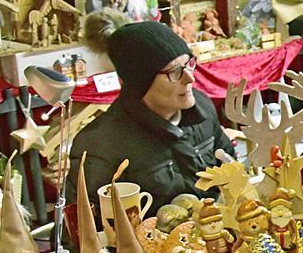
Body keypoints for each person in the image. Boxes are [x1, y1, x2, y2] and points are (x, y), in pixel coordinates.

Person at [66, 12, 233, 209]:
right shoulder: (100, 145)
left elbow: (230, 168)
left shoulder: (201, 108)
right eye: (174, 71)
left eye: (189, 64)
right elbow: (83, 227)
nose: (190, 78)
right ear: (140, 83)